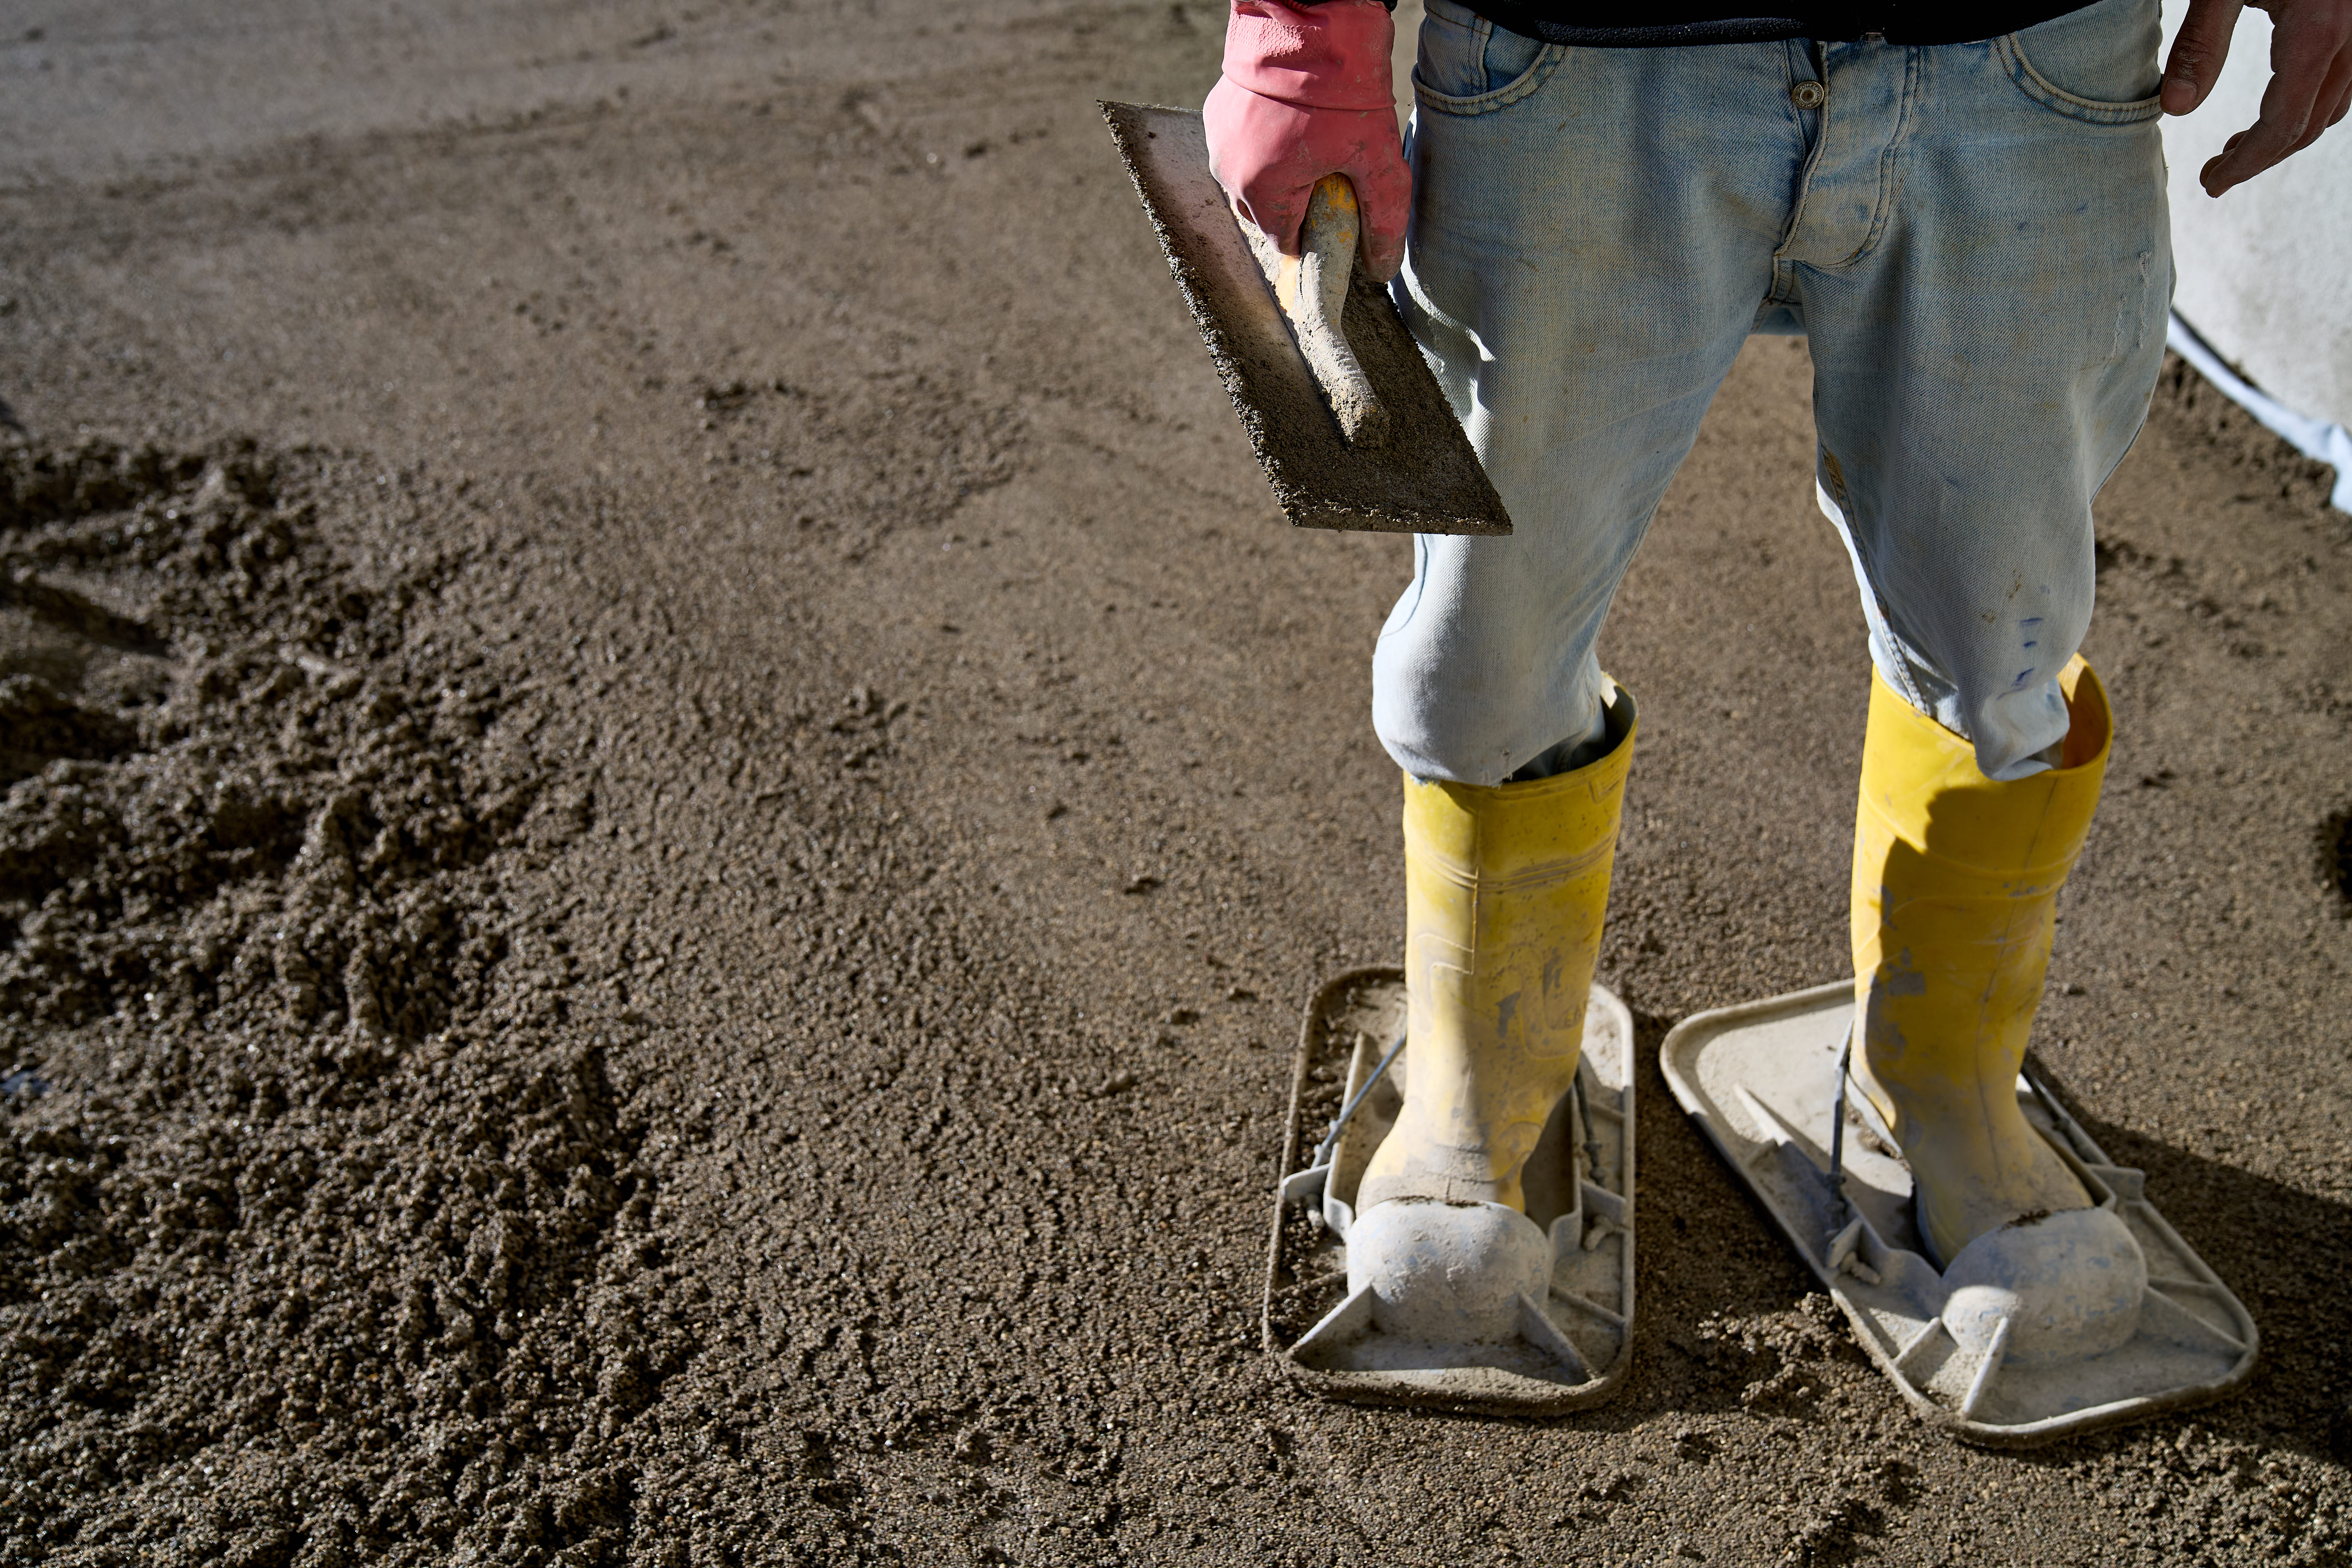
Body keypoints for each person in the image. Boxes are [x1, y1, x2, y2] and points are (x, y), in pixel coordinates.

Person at [1204, 0, 2350, 1385]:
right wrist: (1302, 39)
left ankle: (1941, 1086)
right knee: (1485, 650)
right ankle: (1481, 1080)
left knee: (2000, 633)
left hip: (2031, 53)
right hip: (1581, 54)